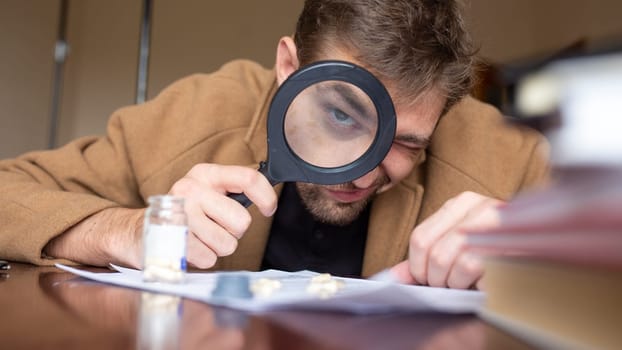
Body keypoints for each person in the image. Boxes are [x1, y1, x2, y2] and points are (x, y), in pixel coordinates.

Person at [0, 0, 549, 289]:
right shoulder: (197, 113)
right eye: (340, 113)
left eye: (406, 142)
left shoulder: (505, 155)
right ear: (288, 68)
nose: (359, 173)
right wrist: (127, 230)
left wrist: (535, 257)